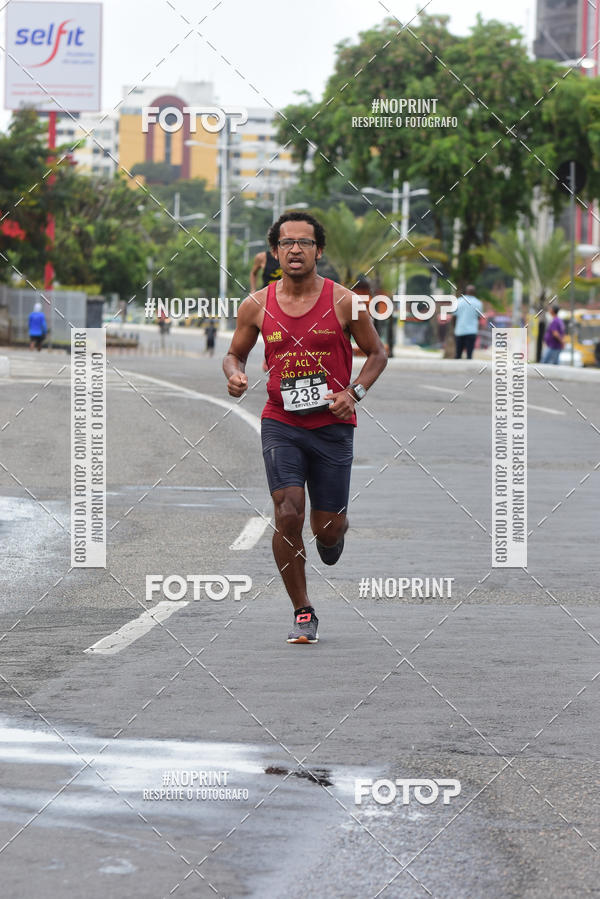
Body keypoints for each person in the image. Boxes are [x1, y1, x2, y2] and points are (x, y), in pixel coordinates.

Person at [224, 212, 387, 645]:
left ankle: (333, 538)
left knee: (327, 527)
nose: (296, 249)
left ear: (319, 250)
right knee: (287, 511)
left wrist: (354, 394)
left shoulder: (346, 301)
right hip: (281, 423)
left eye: (305, 242)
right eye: (287, 242)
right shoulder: (256, 305)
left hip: (333, 425)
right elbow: (234, 354)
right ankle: (302, 609)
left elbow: (376, 355)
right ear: (275, 251)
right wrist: (234, 375)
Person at [453, 285, 483, 359]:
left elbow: (454, 317)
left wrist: (455, 327)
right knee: (469, 355)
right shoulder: (478, 303)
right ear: (474, 292)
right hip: (472, 331)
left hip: (460, 330)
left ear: (466, 291)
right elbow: (479, 317)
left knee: (458, 354)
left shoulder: (459, 301)